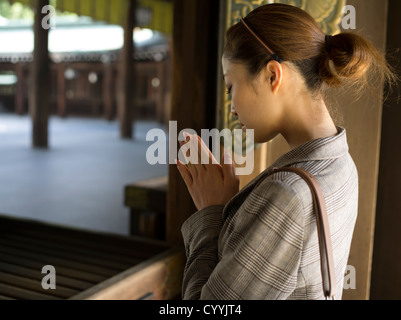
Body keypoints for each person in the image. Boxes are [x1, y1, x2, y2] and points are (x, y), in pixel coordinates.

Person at [176, 3, 397, 300]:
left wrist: (211, 214)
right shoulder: (342, 164)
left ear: (272, 75)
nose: (231, 106)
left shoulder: (286, 195)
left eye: (231, 86)